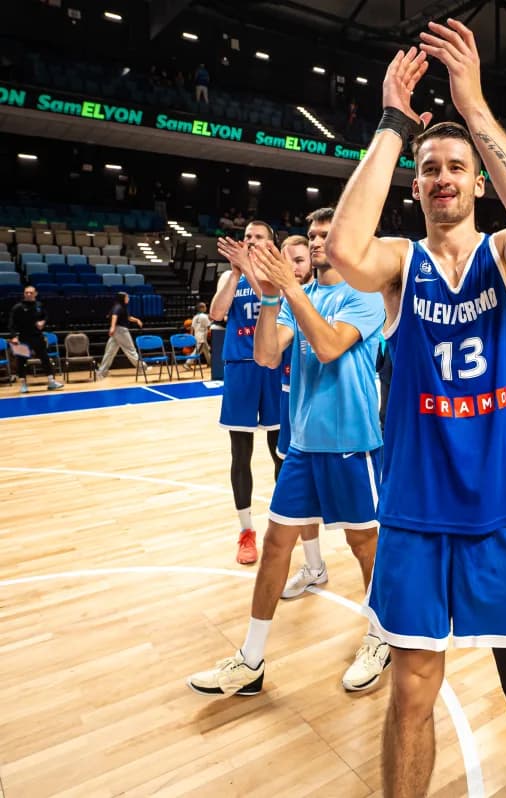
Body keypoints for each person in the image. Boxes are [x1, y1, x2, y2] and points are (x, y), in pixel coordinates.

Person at [323, 24, 506, 795]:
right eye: (431, 170)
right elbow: (342, 249)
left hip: (501, 511)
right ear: (416, 184)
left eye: (456, 167)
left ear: (478, 180)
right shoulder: (401, 265)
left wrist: (473, 106)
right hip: (417, 517)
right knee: (412, 692)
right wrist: (396, 123)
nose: (442, 178)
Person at [186, 208, 390, 698]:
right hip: (301, 443)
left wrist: (290, 292)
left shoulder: (365, 296)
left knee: (367, 548)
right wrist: (272, 299)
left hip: (350, 443)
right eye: (314, 234)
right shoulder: (308, 293)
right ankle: (251, 659)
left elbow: (326, 347)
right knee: (278, 544)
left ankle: (381, 637)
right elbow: (266, 356)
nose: (317, 242)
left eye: (326, 235)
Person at [212, 221, 285, 565]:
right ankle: (245, 531)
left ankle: (281, 524)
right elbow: (215, 313)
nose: (250, 242)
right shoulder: (231, 277)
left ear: (271, 243)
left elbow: (275, 303)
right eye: (247, 238)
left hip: (272, 365)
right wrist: (235, 274)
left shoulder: (280, 272)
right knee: (240, 453)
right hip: (240, 366)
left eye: (257, 237)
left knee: (279, 452)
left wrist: (253, 272)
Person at [273, 233, 317, 460]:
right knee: (284, 458)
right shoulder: (280, 302)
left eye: (299, 261)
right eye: (286, 262)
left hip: (323, 393)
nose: (292, 268)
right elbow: (269, 352)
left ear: (312, 260)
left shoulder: (330, 296)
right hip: (289, 388)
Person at [8, 285, 64, 392]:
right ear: (24, 294)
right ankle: (23, 384)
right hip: (23, 338)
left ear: (35, 294)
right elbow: (11, 324)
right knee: (21, 361)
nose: (29, 294)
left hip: (38, 337)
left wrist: (43, 322)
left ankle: (51, 382)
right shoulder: (17, 307)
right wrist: (14, 336)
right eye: (26, 292)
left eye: (31, 292)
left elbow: (46, 316)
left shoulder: (39, 305)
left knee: (45, 359)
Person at [96, 291, 143, 379]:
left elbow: (127, 318)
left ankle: (101, 371)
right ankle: (142, 367)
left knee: (110, 351)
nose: (128, 298)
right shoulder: (118, 307)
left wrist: (137, 320)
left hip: (117, 331)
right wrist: (112, 327)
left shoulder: (121, 307)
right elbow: (114, 316)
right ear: (122, 298)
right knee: (130, 350)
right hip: (121, 331)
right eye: (127, 297)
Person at [190, 301, 212, 366]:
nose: (206, 308)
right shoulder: (204, 316)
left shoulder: (195, 317)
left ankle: (210, 363)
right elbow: (209, 326)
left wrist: (191, 336)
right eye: (205, 306)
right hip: (202, 337)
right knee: (196, 351)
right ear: (201, 308)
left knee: (206, 350)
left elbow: (192, 328)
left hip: (197, 336)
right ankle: (187, 363)